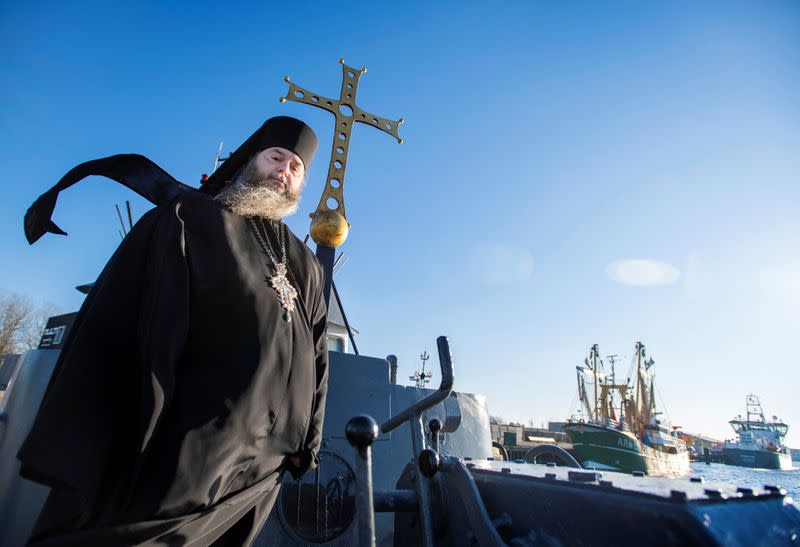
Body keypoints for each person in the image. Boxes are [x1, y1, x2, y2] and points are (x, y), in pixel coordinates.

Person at [18, 116, 329, 546]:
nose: (285, 172)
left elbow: (318, 354)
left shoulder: (306, 264)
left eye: (297, 168)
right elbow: (140, 329)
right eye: (276, 158)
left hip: (264, 473)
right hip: (189, 456)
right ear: (248, 162)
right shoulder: (192, 220)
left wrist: (308, 441)